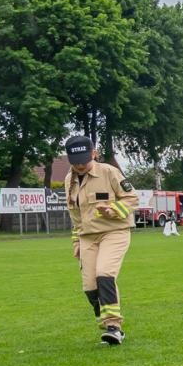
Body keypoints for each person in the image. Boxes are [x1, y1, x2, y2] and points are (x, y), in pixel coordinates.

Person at [64, 135, 138, 345]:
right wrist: (76, 241)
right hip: (87, 237)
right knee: (89, 286)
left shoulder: (109, 172)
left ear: (94, 154)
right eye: (75, 162)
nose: (80, 165)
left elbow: (132, 198)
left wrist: (113, 210)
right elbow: (75, 214)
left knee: (104, 274)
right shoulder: (69, 180)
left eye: (84, 161)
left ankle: (114, 327)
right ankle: (106, 324)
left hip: (114, 231)